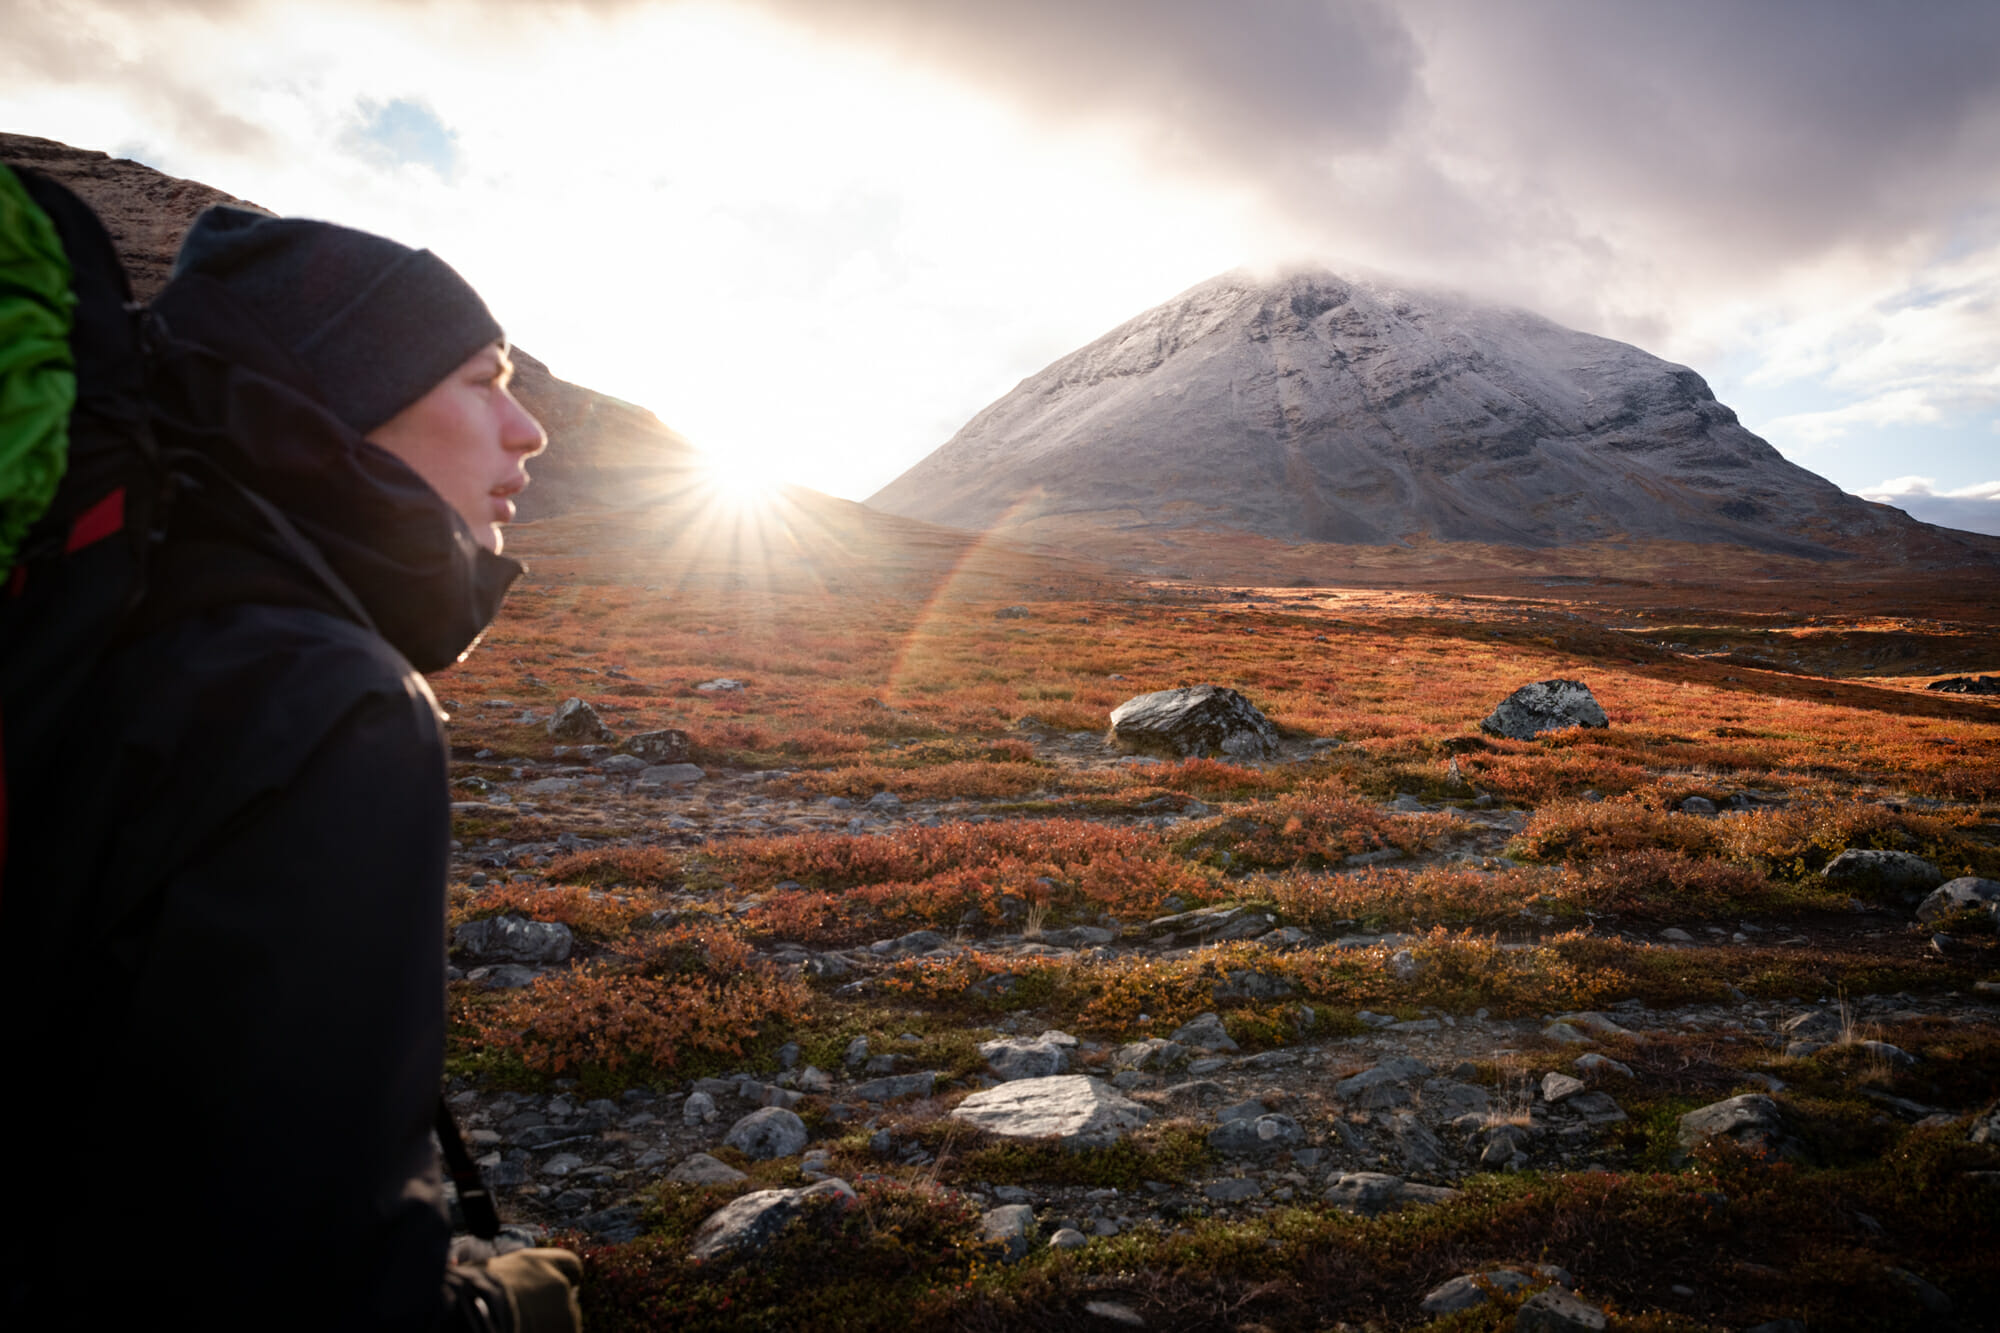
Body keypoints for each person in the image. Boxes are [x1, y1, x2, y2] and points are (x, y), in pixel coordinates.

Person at [0, 205, 582, 1330]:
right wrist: (491, 1310)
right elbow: (295, 1271)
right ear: (344, 403)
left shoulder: (112, 617)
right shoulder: (318, 693)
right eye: (480, 378)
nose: (528, 432)